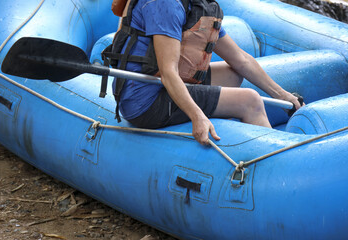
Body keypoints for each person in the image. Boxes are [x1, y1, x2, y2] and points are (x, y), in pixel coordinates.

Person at [104, 0, 302, 145]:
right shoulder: (166, 4)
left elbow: (240, 59)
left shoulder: (196, 5)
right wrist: (197, 116)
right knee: (250, 101)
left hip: (161, 84)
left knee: (232, 75)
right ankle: (274, 160)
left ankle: (234, 137)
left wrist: (282, 95)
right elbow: (168, 73)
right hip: (144, 100)